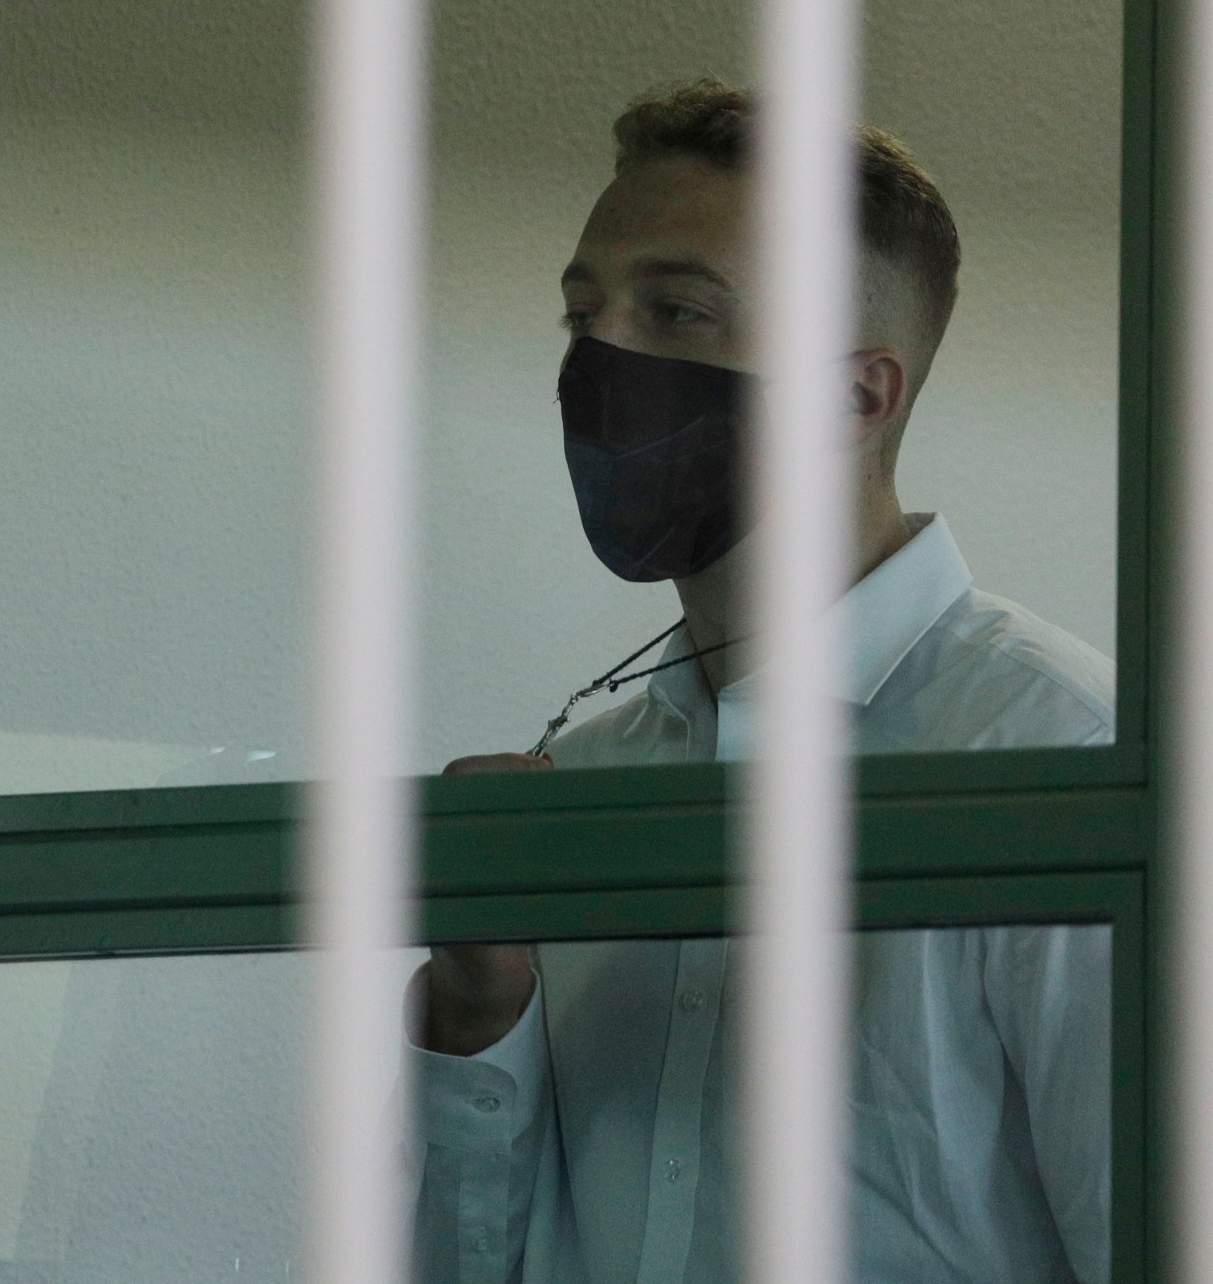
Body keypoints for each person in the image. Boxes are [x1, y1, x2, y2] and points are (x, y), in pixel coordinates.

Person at [413, 82, 1113, 1283]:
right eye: (584, 312)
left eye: (676, 310)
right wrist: (482, 1012)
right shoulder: (573, 799)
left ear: (857, 394)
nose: (600, 356)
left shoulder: (1065, 766)